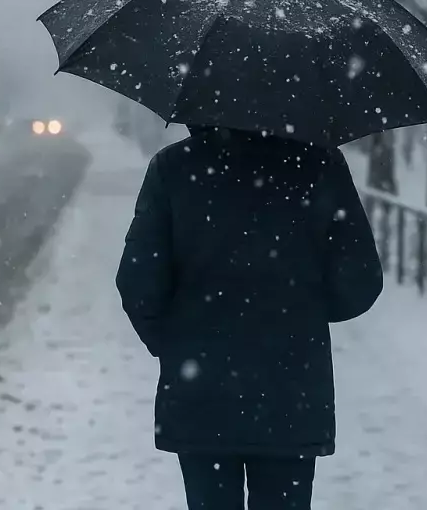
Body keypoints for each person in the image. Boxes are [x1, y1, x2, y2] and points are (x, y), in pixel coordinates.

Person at [116, 125, 383, 509]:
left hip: (202, 392)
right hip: (292, 391)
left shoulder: (174, 168)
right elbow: (361, 280)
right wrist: (304, 315)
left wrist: (175, 345)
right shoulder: (319, 165)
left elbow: (138, 281)